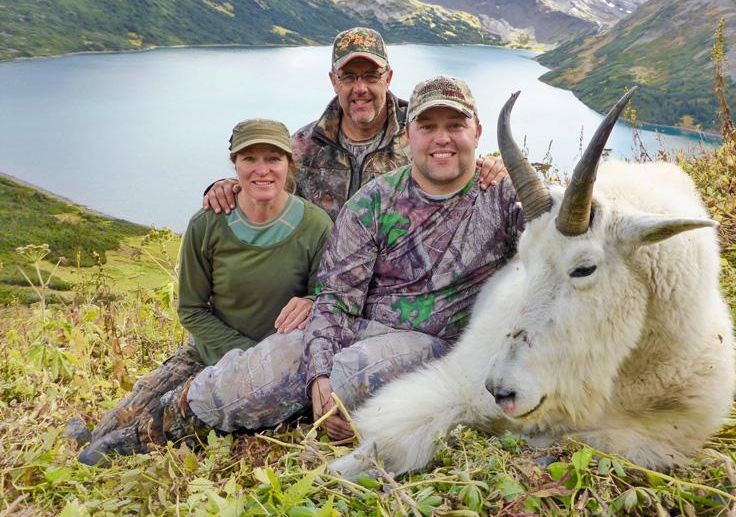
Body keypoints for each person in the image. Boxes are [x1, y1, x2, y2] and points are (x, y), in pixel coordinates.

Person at [79, 75, 523, 460]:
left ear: (478, 131)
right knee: (249, 372)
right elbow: (335, 299)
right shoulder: (373, 202)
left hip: (440, 345)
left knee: (349, 379)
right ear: (409, 135)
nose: (441, 138)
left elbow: (570, 234)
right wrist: (318, 372)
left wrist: (514, 168)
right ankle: (122, 442)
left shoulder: (505, 198)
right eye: (428, 126)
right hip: (363, 326)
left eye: (455, 125)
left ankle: (316, 405)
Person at [79, 119, 332, 465]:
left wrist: (310, 301)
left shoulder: (315, 225)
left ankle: (111, 447)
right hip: (208, 351)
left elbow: (328, 297)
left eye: (273, 158)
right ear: (234, 165)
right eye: (249, 159)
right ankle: (88, 436)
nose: (262, 170)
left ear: (288, 163)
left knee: (169, 425)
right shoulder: (207, 224)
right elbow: (192, 309)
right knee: (122, 416)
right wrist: (243, 354)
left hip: (279, 364)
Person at [204, 27, 506, 221]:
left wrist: (496, 168)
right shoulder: (305, 146)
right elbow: (267, 185)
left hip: (401, 288)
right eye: (349, 77)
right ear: (334, 81)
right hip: (324, 288)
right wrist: (227, 187)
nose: (360, 88)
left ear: (388, 78)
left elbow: (455, 164)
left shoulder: (418, 135)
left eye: (371, 76)